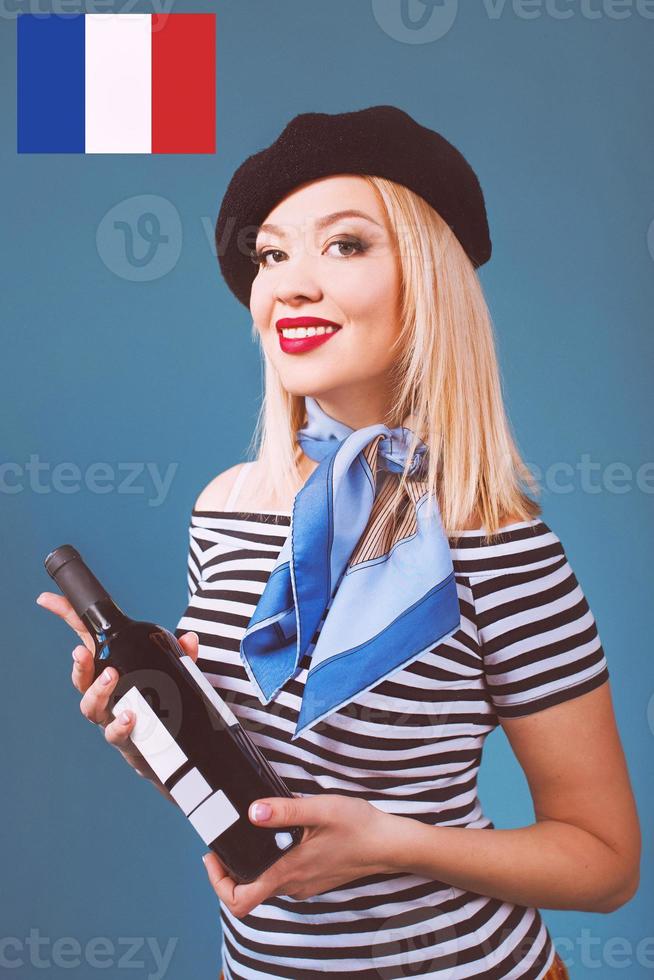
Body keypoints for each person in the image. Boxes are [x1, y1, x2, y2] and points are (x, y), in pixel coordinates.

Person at [37, 106, 640, 980]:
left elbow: (607, 863)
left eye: (346, 245)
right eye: (272, 254)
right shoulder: (224, 512)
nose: (289, 284)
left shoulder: (500, 543)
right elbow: (258, 767)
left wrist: (392, 843)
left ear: (428, 282)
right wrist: (155, 743)